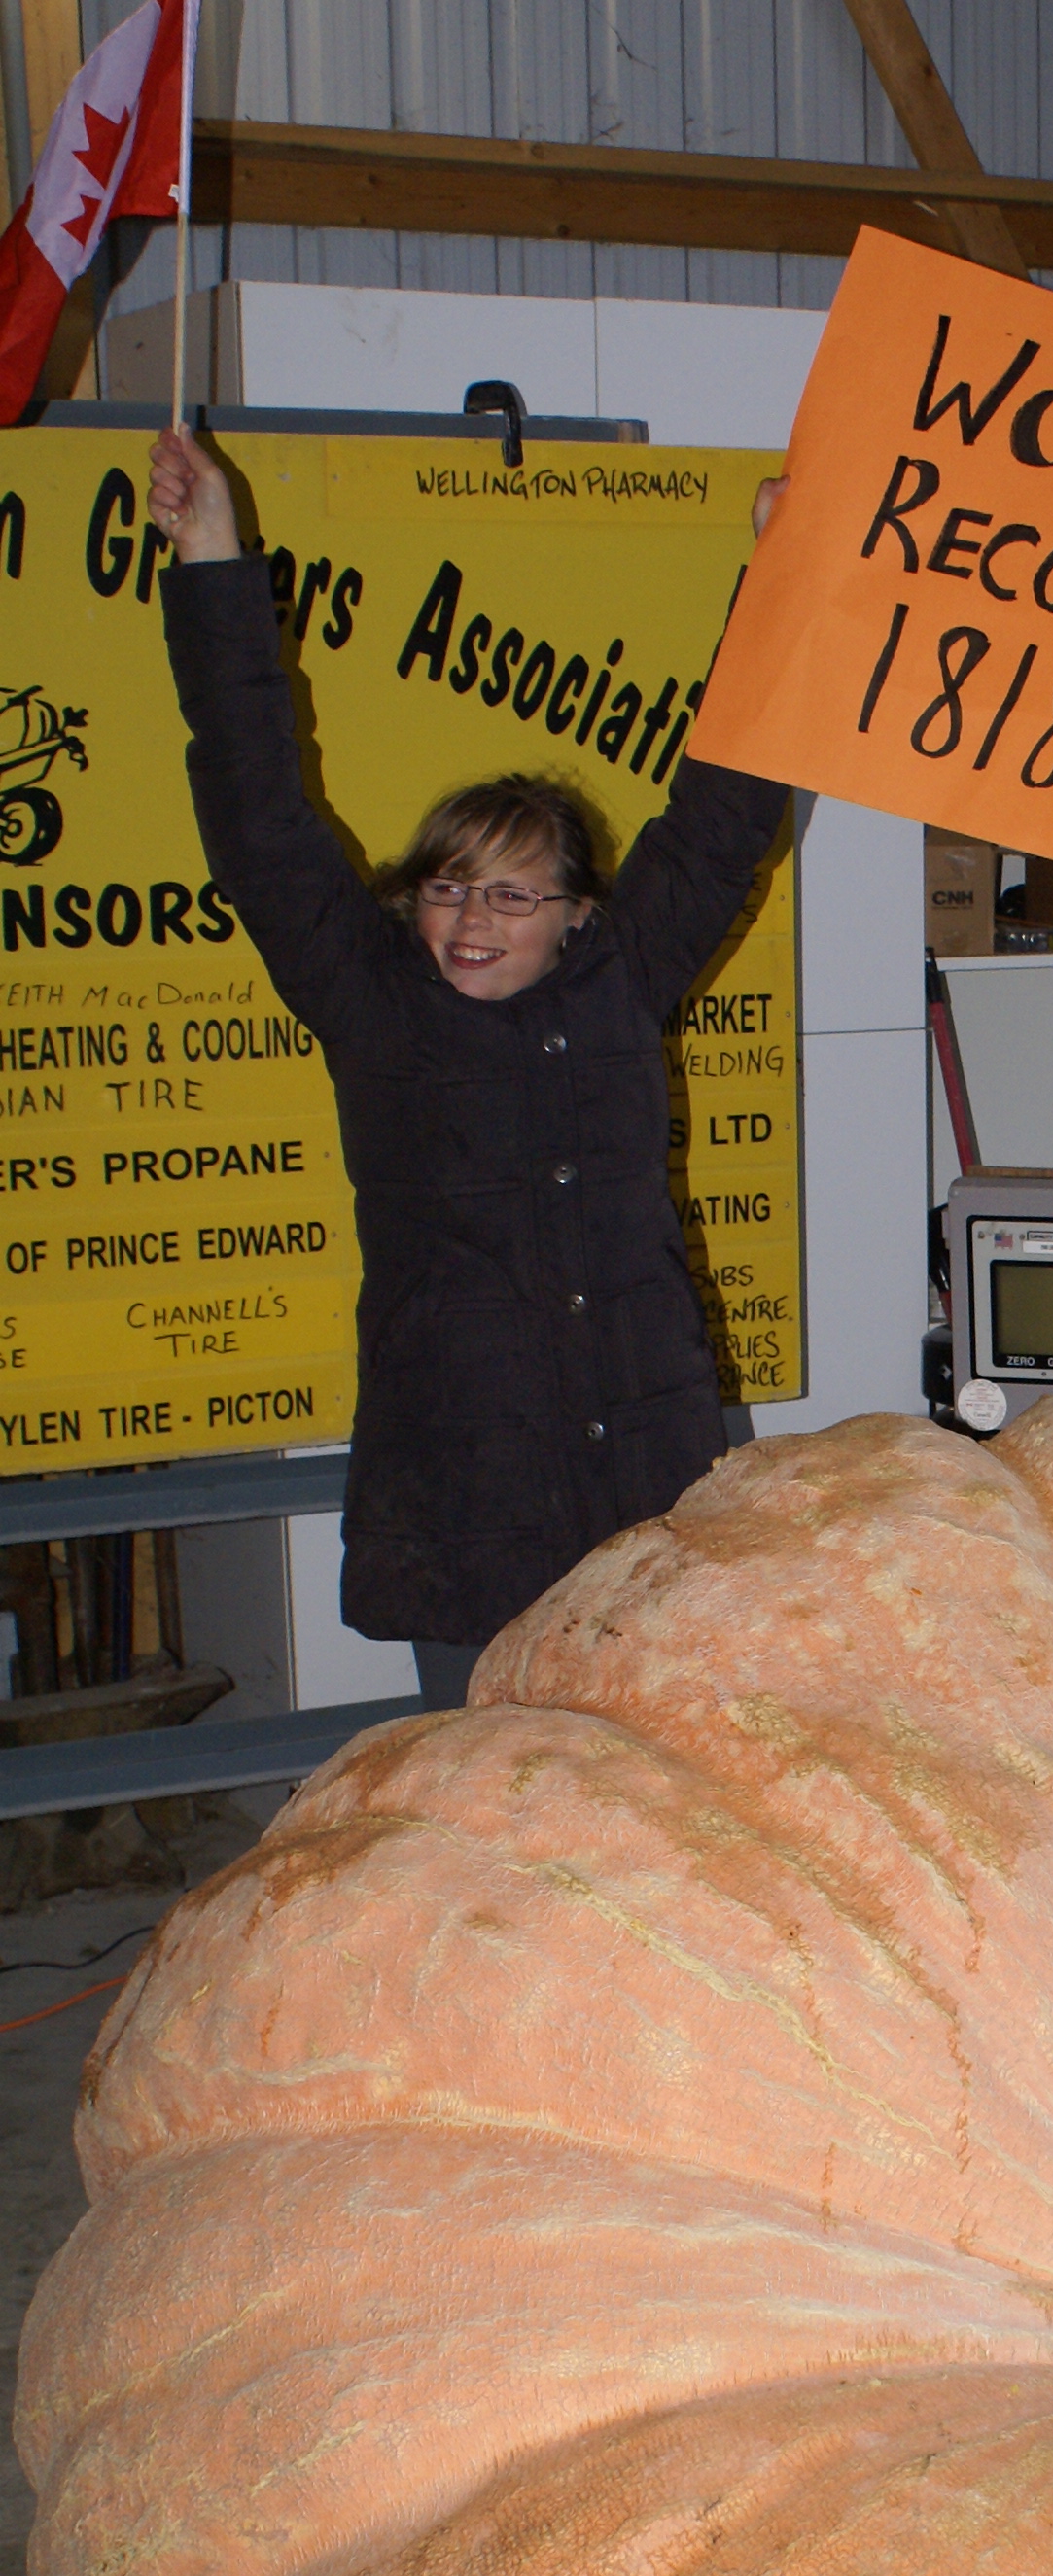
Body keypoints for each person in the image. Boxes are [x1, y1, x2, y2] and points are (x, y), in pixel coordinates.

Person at [145, 425, 794, 1710]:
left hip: (642, 1465)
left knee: (667, 1769)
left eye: (511, 892)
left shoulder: (625, 975)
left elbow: (722, 813)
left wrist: (776, 577)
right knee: (493, 1797)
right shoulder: (369, 998)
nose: (473, 921)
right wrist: (212, 551)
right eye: (448, 887)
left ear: (576, 913)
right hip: (467, 1485)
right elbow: (260, 810)